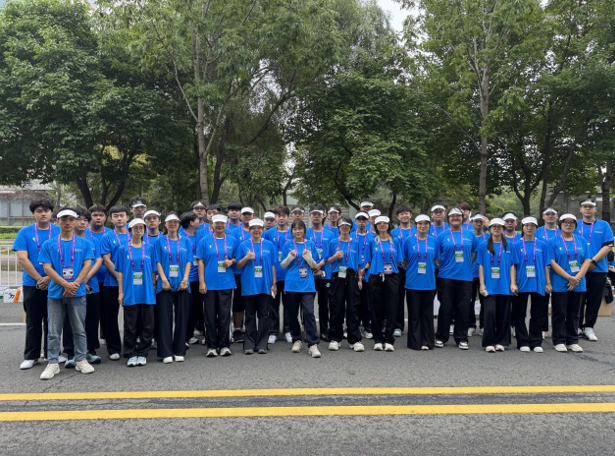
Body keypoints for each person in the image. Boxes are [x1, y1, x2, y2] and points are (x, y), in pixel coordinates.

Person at [39, 208, 94, 379]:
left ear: (76, 221)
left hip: (77, 293)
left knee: (79, 329)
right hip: (55, 293)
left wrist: (75, 285)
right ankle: (53, 363)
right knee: (53, 331)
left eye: (71, 219)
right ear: (57, 221)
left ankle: (81, 360)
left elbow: (87, 265)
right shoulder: (49, 244)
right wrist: (65, 284)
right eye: (64, 219)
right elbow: (47, 268)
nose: (68, 222)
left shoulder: (84, 244)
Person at [14, 198, 61, 370]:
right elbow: (22, 258)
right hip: (31, 283)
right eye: (39, 211)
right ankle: (31, 356)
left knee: (53, 321)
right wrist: (39, 278)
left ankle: (51, 354)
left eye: (46, 210)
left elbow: (63, 256)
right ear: (33, 213)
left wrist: (49, 277)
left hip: (54, 282)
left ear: (51, 213)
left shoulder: (59, 231)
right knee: (33, 320)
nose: (43, 214)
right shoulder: (24, 233)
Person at [435, 207, 478, 350]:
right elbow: (436, 255)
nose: (455, 218)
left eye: (458, 216)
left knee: (463, 308)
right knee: (446, 307)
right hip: (446, 276)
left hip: (465, 276)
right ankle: (441, 336)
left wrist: (468, 264)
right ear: (448, 219)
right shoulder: (442, 235)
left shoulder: (470, 234)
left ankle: (461, 338)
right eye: (452, 216)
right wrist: (442, 265)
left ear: (462, 218)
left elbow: (474, 252)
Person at [548, 213, 591, 352]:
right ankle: (559, 340)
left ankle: (572, 340)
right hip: (560, 282)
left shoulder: (581, 240)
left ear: (575, 225)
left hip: (578, 282)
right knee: (559, 312)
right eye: (565, 222)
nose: (568, 224)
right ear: (560, 224)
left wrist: (577, 277)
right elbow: (552, 262)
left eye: (571, 222)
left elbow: (587, 260)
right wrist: (569, 277)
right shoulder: (553, 241)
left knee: (575, 313)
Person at [197, 214, 238, 357]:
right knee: (209, 316)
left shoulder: (232, 240)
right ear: (212, 225)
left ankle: (224, 345)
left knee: (224, 316)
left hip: (226, 283)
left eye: (222, 223)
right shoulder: (204, 241)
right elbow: (200, 261)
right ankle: (211, 346)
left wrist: (231, 262)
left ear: (226, 225)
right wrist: (202, 281)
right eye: (217, 223)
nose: (219, 225)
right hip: (209, 284)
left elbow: (237, 258)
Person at [154, 213, 193, 363]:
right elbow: (157, 261)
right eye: (170, 222)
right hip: (165, 284)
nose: (172, 224)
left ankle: (179, 350)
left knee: (182, 318)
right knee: (164, 318)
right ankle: (165, 352)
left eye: (175, 222)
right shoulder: (159, 241)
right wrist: (163, 279)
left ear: (179, 224)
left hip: (182, 283)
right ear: (165, 224)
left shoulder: (186, 241)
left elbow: (189, 261)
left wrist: (185, 279)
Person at [117, 218, 156, 367]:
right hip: (130, 291)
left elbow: (153, 270)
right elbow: (120, 272)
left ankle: (143, 352)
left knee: (148, 324)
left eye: (141, 228)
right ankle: (130, 353)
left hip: (146, 291)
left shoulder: (150, 248)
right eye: (135, 228)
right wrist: (120, 292)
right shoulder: (123, 249)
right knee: (130, 324)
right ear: (130, 230)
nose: (139, 231)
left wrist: (153, 287)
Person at [280, 219, 322, 358]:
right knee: (292, 314)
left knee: (309, 312)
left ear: (304, 230)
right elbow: (283, 265)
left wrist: (308, 258)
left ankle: (313, 344)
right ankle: (296, 339)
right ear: (292, 231)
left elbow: (315, 265)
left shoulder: (310, 244)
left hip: (307, 284)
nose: (297, 231)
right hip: (291, 284)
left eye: (300, 228)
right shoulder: (288, 244)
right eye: (295, 229)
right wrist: (289, 257)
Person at [235, 219, 276, 354]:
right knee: (250, 314)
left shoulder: (269, 245)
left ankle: (262, 344)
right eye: (254, 228)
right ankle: (249, 344)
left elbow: (273, 265)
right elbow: (238, 265)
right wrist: (246, 258)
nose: (256, 230)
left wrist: (274, 283)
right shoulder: (243, 245)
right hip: (249, 284)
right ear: (249, 230)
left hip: (265, 284)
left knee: (264, 314)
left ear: (263, 229)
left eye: (259, 228)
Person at [575, 199, 614, 341]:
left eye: (590, 207)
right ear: (580, 209)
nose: (587, 209)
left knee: (594, 300)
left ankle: (589, 327)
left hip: (599, 269)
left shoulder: (604, 225)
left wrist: (592, 261)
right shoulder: (575, 225)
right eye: (584, 206)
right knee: (578, 299)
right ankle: (577, 326)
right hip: (579, 270)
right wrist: (584, 263)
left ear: (595, 209)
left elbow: (608, 245)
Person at [510, 217, 550, 353]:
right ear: (522, 227)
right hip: (521, 283)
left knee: (538, 314)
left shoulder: (542, 245)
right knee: (519, 314)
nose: (529, 228)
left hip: (538, 283)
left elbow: (546, 265)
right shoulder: (516, 245)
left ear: (536, 228)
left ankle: (536, 341)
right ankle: (522, 341)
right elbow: (513, 266)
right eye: (527, 225)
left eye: (532, 225)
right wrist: (513, 283)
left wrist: (548, 283)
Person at [325, 217, 364, 352]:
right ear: (339, 228)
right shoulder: (333, 242)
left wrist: (360, 278)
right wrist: (335, 256)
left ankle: (355, 339)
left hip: (351, 275)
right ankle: (335, 338)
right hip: (337, 276)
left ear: (351, 227)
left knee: (353, 307)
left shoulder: (355, 243)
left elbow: (358, 263)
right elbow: (327, 261)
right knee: (336, 306)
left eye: (347, 226)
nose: (345, 228)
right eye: (342, 226)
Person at [365, 215, 403, 351]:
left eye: (384, 223)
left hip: (391, 277)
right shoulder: (371, 241)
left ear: (388, 225)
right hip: (376, 276)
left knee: (392, 308)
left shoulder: (396, 241)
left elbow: (399, 261)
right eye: (379, 223)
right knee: (376, 308)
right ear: (376, 226)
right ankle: (378, 338)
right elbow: (369, 261)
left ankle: (388, 339)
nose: (382, 225)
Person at [477, 218, 513, 352]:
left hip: (505, 285)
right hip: (489, 286)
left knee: (504, 314)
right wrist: (482, 284)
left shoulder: (509, 245)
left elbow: (513, 265)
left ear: (503, 228)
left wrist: (513, 283)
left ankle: (501, 341)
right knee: (489, 313)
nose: (496, 228)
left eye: (499, 226)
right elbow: (480, 265)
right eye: (494, 226)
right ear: (490, 228)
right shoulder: (483, 245)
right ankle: (489, 342)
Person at [403, 215, 438, 350]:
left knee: (427, 314)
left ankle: (427, 341)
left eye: (426, 224)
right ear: (415, 225)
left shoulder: (434, 241)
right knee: (414, 314)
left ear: (429, 225)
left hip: (429, 282)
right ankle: (415, 342)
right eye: (420, 224)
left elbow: (436, 260)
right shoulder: (408, 240)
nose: (423, 226)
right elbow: (404, 260)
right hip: (412, 282)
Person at [100, 205, 131, 360]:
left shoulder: (134, 234)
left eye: (122, 215)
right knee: (111, 317)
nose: (119, 218)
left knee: (131, 316)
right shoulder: (107, 237)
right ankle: (113, 348)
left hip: (132, 283)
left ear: (127, 217)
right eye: (115, 216)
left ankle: (130, 345)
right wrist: (119, 277)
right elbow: (106, 259)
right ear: (111, 219)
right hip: (112, 282)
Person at [74, 207, 103, 364]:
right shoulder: (67, 240)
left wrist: (85, 279)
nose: (82, 222)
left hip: (92, 286)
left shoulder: (94, 241)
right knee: (73, 320)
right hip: (72, 286)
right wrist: (78, 281)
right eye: (79, 219)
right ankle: (72, 351)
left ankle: (91, 349)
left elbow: (98, 261)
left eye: (85, 220)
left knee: (92, 318)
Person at [263, 205, 292, 344]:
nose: (281, 218)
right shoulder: (268, 234)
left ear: (288, 217)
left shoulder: (293, 232)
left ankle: (288, 330)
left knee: (289, 304)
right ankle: (273, 331)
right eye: (279, 216)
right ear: (275, 217)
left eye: (284, 216)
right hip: (273, 275)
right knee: (272, 305)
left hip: (289, 275)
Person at [307, 204, 334, 341]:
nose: (316, 216)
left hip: (325, 274)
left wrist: (320, 265)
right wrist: (313, 266)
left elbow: (332, 253)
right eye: (314, 214)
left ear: (324, 216)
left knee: (324, 305)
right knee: (307, 306)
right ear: (310, 216)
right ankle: (308, 332)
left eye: (319, 214)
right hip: (308, 274)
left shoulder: (330, 234)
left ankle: (324, 331)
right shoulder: (305, 232)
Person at [391, 205, 417, 337]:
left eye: (407, 213)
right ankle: (398, 326)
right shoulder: (393, 233)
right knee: (398, 297)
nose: (404, 216)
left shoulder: (417, 230)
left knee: (414, 298)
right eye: (401, 214)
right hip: (398, 269)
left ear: (411, 215)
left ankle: (414, 325)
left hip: (414, 268)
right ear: (398, 217)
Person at [179, 212, 205, 346]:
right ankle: (182, 337)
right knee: (185, 309)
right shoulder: (181, 236)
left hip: (198, 278)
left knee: (196, 308)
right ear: (191, 222)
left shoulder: (199, 235)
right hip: (186, 279)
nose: (199, 222)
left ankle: (189, 335)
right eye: (197, 220)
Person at [230, 207, 255, 343]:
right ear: (241, 216)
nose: (246, 216)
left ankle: (251, 328)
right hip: (238, 272)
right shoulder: (234, 232)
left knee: (253, 301)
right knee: (238, 301)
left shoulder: (257, 230)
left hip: (254, 272)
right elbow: (231, 251)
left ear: (253, 216)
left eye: (249, 214)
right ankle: (238, 329)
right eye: (244, 214)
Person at [87, 204, 110, 342]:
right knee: (92, 312)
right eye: (95, 215)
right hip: (91, 280)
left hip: (108, 279)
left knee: (107, 311)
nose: (98, 218)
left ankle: (107, 336)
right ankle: (91, 341)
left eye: (101, 215)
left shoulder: (111, 233)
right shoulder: (84, 233)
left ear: (105, 217)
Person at [354, 212, 373, 339]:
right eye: (359, 219)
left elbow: (375, 255)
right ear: (355, 222)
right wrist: (358, 270)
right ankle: (354, 327)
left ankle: (366, 327)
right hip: (354, 273)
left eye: (364, 220)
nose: (361, 222)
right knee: (354, 302)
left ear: (368, 221)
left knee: (367, 303)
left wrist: (364, 268)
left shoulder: (373, 237)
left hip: (368, 273)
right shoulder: (351, 236)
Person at [469, 214, 489, 336]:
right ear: (472, 222)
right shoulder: (468, 236)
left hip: (485, 275)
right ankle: (471, 325)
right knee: (469, 301)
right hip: (470, 274)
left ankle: (483, 325)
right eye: (476, 221)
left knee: (485, 301)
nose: (478, 224)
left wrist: (489, 225)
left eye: (481, 222)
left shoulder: (489, 237)